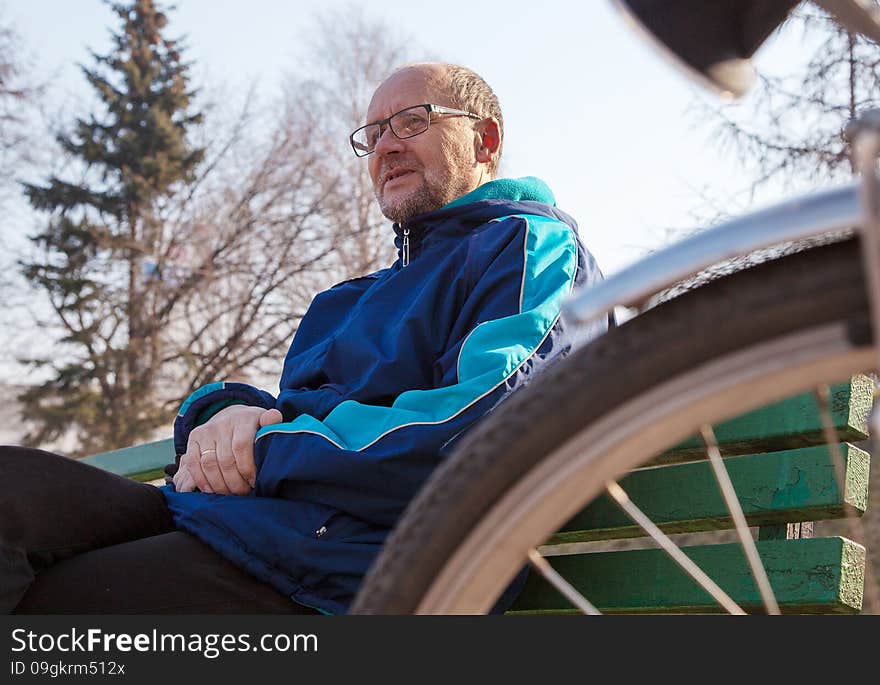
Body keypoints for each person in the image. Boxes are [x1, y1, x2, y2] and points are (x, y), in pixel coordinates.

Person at [0, 61, 607, 615]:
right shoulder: (347, 299)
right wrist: (226, 413)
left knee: (62, 609)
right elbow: (298, 415)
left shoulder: (527, 248)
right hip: (247, 528)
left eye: (412, 122)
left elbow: (483, 430)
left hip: (353, 573)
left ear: (486, 140)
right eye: (372, 136)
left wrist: (264, 452)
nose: (386, 146)